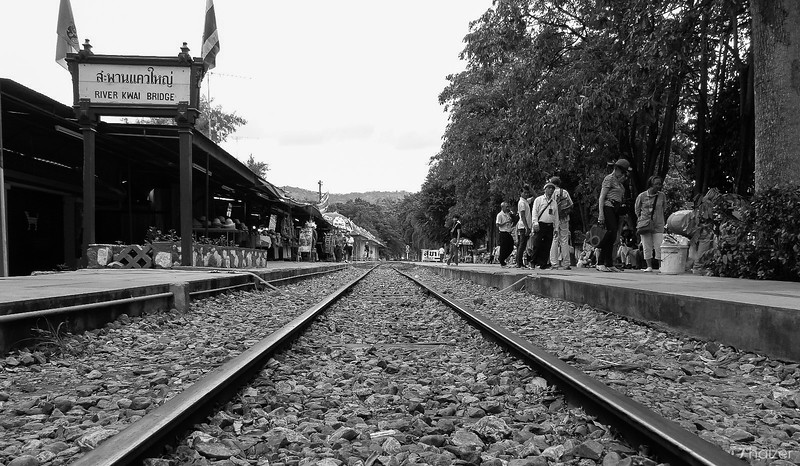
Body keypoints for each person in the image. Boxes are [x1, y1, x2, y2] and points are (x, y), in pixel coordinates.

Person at [597, 159, 631, 272]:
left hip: (616, 209)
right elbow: (602, 197)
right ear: (617, 169)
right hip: (608, 207)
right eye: (622, 172)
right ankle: (600, 262)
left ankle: (609, 263)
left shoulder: (620, 184)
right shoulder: (609, 179)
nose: (623, 174)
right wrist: (601, 214)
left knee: (613, 236)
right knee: (609, 233)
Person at [635, 175, 666, 272]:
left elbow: (664, 207)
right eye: (656, 184)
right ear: (651, 184)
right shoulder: (642, 196)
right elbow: (637, 209)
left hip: (658, 224)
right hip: (645, 224)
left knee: (659, 245)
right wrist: (642, 219)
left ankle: (661, 266)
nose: (658, 186)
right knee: (646, 245)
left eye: (660, 184)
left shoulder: (662, 196)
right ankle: (649, 266)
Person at [527, 182, 559, 269]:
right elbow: (534, 212)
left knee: (547, 245)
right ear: (545, 189)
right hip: (540, 224)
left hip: (550, 225)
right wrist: (535, 223)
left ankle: (543, 263)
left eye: (552, 189)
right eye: (549, 188)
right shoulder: (539, 200)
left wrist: (556, 228)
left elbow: (556, 216)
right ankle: (533, 261)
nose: (551, 190)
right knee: (537, 244)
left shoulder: (554, 203)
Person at [549, 176, 574, 270]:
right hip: (565, 218)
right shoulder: (564, 192)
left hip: (554, 219)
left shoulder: (551, 192)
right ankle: (566, 263)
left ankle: (554, 263)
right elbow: (571, 205)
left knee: (554, 240)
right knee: (564, 240)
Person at [515, 185, 533, 268]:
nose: (526, 194)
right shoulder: (522, 203)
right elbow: (522, 216)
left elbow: (535, 197)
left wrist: (531, 189)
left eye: (527, 193)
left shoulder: (526, 201)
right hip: (523, 226)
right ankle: (519, 262)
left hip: (526, 226)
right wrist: (527, 227)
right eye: (524, 192)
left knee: (523, 244)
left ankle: (519, 262)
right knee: (522, 245)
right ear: (521, 193)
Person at [495, 201, 515, 267]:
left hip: (508, 231)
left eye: (508, 207)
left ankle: (502, 258)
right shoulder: (500, 215)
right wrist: (505, 223)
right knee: (504, 247)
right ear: (502, 207)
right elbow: (497, 225)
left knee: (511, 246)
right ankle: (502, 260)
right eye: (506, 207)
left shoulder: (507, 214)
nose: (507, 208)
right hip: (503, 232)